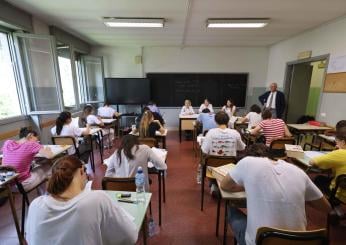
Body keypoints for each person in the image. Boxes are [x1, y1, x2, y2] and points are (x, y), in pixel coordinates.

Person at [220, 143, 331, 245]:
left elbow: (225, 185)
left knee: (231, 210)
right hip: (300, 241)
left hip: (262, 241)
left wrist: (247, 186)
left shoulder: (247, 162)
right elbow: (326, 207)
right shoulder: (298, 171)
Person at [26, 155, 138, 245]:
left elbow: (29, 237)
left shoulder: (35, 205)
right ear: (81, 171)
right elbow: (131, 236)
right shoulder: (98, 199)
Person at [1, 128, 53, 192]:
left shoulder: (7, 143)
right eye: (36, 140)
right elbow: (49, 155)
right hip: (22, 185)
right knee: (48, 167)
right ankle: (47, 195)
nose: (37, 142)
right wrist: (48, 149)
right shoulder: (31, 144)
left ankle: (42, 194)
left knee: (36, 167)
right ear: (30, 136)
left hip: (7, 184)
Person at [310, 120, 346, 203]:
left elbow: (313, 162)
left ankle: (325, 203)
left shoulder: (340, 153)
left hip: (340, 193)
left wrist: (337, 151)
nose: (336, 143)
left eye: (337, 141)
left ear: (343, 142)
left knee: (318, 178)